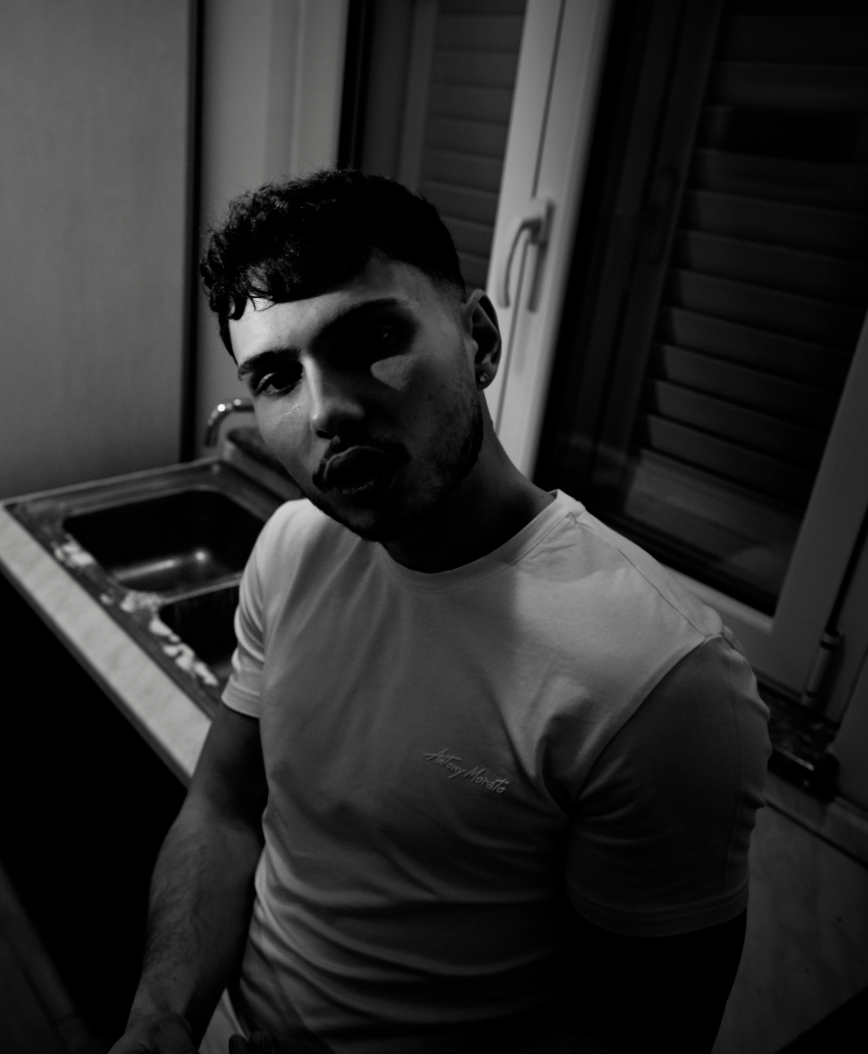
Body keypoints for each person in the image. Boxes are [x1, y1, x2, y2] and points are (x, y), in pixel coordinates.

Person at [108, 171, 769, 1054]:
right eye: (275, 377)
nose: (328, 410)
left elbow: (648, 1035)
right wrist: (163, 1013)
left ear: (480, 341)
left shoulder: (659, 677)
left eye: (373, 338)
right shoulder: (292, 551)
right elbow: (225, 809)